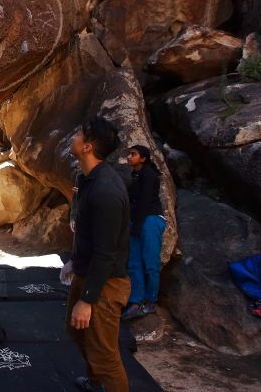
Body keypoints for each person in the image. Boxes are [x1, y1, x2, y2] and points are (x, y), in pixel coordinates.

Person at [61, 117, 131, 392]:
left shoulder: (106, 191)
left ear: (87, 146)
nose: (73, 136)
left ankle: (102, 380)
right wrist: (73, 261)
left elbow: (106, 253)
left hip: (105, 283)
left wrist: (88, 300)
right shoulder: (88, 179)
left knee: (104, 355)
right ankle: (95, 383)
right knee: (76, 332)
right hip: (86, 273)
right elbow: (86, 232)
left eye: (78, 132)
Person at [121, 145, 166, 321]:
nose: (129, 157)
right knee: (133, 263)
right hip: (137, 222)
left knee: (150, 263)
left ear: (143, 158)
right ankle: (135, 302)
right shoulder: (136, 176)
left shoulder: (149, 175)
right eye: (129, 154)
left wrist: (137, 225)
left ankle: (150, 301)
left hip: (150, 220)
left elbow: (146, 201)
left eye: (133, 154)